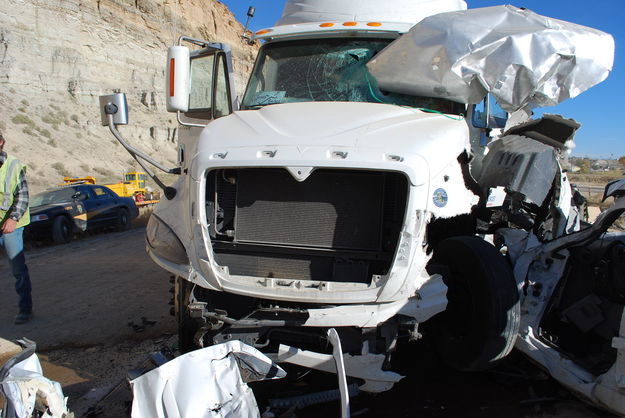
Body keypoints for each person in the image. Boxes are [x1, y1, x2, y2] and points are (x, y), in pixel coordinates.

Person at [0, 130, 32, 324]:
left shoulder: (13, 165)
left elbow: (23, 196)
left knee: (17, 269)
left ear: (1, 142)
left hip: (12, 224)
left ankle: (25, 309)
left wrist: (12, 219)